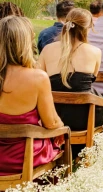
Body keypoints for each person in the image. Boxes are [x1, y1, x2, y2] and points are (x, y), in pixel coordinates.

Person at [38, 8, 103, 155]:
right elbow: (92, 80)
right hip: (84, 119)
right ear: (88, 28)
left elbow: (38, 79)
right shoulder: (95, 52)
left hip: (52, 117)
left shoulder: (47, 50)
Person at [0, 16, 63, 175]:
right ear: (25, 44)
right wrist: (62, 128)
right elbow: (51, 123)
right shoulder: (38, 78)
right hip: (24, 158)